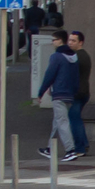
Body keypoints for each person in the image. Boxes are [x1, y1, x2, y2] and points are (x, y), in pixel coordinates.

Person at [36, 31, 77, 161]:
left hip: (59, 93)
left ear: (60, 41)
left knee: (62, 122)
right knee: (57, 121)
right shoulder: (74, 56)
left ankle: (70, 150)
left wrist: (41, 92)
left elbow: (50, 75)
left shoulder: (56, 57)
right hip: (70, 94)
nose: (52, 42)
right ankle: (50, 148)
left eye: (54, 40)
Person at [63, 31, 92, 162]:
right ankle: (83, 144)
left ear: (80, 42)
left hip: (77, 92)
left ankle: (79, 148)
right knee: (76, 118)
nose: (70, 43)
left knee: (74, 119)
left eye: (73, 41)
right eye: (69, 40)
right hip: (83, 91)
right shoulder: (83, 55)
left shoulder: (77, 57)